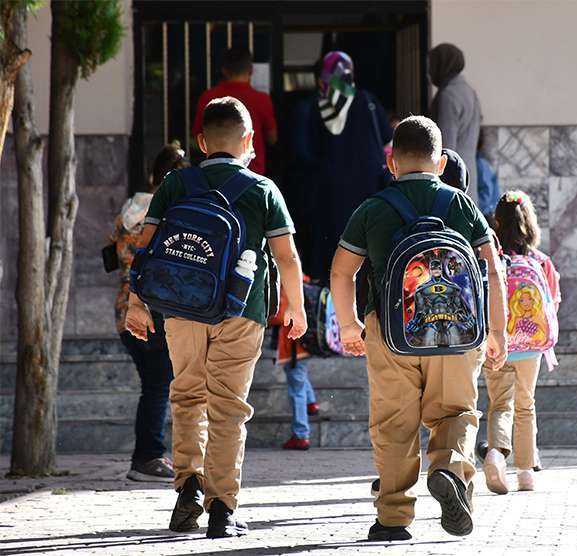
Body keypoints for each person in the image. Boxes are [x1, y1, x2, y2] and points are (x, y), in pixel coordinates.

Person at [126, 96, 307, 538]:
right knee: (228, 407)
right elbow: (286, 256)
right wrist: (296, 307)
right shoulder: (263, 190)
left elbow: (144, 248)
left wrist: (136, 303)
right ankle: (223, 507)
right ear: (249, 140)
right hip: (243, 311)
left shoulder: (175, 183)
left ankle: (188, 486)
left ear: (202, 142)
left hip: (180, 308)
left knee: (187, 395)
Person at [330, 116, 507, 542]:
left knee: (394, 423)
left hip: (391, 332)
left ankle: (393, 517)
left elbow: (341, 271)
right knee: (456, 412)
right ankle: (448, 468)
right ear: (441, 162)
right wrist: (497, 330)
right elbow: (493, 268)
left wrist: (350, 325)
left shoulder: (373, 208)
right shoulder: (461, 204)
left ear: (392, 163)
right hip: (458, 333)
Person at [113, 143, 187, 482]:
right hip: (151, 310)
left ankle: (147, 455)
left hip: (123, 308)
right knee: (158, 387)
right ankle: (148, 457)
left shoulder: (128, 210)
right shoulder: (165, 215)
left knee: (153, 387)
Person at [478, 191, 560, 494]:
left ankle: (496, 454)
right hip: (530, 347)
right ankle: (526, 473)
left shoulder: (490, 259)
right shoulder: (540, 261)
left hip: (496, 342)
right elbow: (552, 304)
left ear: (496, 222)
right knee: (525, 405)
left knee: (500, 405)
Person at [286, 51, 392, 283]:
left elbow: (299, 153)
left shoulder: (309, 108)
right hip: (367, 196)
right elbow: (387, 139)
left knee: (328, 265)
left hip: (326, 200)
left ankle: (328, 303)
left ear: (320, 78)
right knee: (365, 265)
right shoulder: (368, 101)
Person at [193, 47, 277, 176]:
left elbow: (197, 134)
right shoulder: (262, 99)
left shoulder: (208, 97)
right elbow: (272, 138)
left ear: (224, 70)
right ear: (251, 70)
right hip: (253, 172)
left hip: (214, 173)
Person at [429, 43, 482, 204]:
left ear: (443, 64)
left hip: (452, 177)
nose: (429, 72)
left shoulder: (448, 95)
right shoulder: (469, 91)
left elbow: (445, 146)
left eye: (432, 65)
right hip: (468, 172)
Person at [272, 281, 319, 451]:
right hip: (308, 343)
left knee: (296, 391)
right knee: (300, 376)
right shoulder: (306, 282)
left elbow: (279, 316)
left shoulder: (287, 284)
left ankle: (301, 435)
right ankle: (311, 402)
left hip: (293, 346)